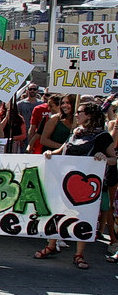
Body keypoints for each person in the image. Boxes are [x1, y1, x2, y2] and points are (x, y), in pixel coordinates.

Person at [37, 102, 117, 269]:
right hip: (65, 180)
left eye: (79, 112)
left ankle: (79, 254)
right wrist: (50, 153)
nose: (76, 115)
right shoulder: (75, 133)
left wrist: (103, 158)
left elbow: (113, 159)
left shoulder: (103, 136)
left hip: (86, 185)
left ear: (89, 115)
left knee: (83, 216)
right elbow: (62, 150)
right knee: (58, 213)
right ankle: (52, 245)